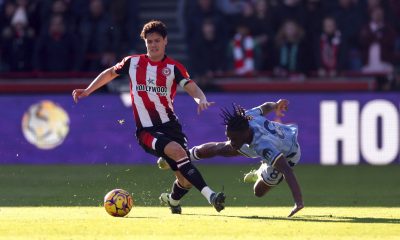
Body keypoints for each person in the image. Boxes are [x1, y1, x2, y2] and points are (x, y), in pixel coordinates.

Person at [72, 20, 226, 214]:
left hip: (171, 127)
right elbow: (110, 73)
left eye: (157, 41)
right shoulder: (133, 62)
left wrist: (200, 98)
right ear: (145, 43)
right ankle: (211, 196)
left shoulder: (173, 67)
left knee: (184, 180)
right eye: (149, 41)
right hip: (147, 131)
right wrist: (88, 90)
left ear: (165, 41)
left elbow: (190, 86)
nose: (153, 45)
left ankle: (172, 200)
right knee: (178, 152)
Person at [158, 99, 304, 217]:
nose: (231, 141)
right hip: (263, 142)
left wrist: (298, 202)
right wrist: (276, 105)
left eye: (234, 138)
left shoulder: (263, 146)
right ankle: (184, 155)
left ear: (245, 132)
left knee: (258, 192)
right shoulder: (246, 117)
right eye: (229, 136)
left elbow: (286, 170)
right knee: (221, 148)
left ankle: (260, 171)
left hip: (288, 154)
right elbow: (265, 106)